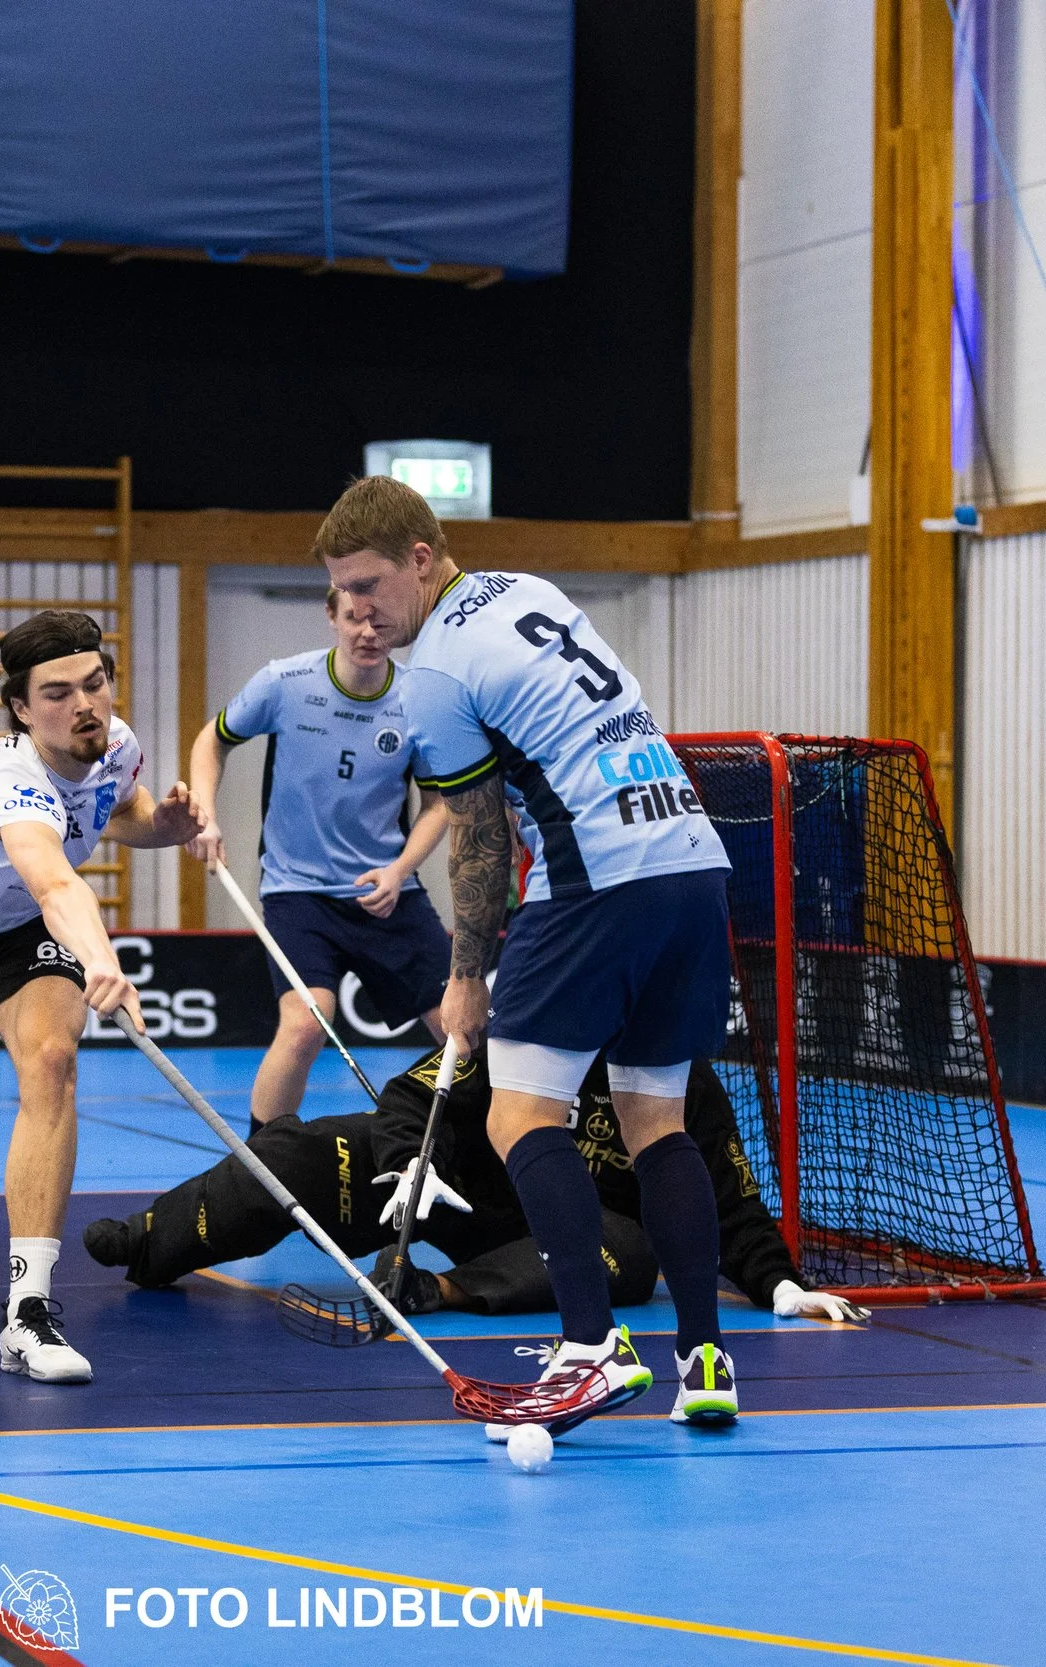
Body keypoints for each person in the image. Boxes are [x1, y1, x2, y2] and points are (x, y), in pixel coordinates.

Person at [316, 475, 739, 1431]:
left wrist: (464, 978)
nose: (361, 611)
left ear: (421, 558)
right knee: (655, 1121)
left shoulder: (435, 675)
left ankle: (590, 1351)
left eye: (371, 585)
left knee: (519, 1115)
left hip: (595, 880)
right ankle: (705, 1360)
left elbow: (478, 840)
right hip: (690, 862)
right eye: (344, 593)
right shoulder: (527, 590)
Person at [0, 610, 203, 1384]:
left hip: (19, 934)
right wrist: (102, 959)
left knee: (53, 1059)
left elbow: (119, 809)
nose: (85, 704)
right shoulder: (8, 783)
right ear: (22, 709)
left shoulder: (115, 746)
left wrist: (165, 823)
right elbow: (55, 880)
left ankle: (27, 1311)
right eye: (58, 693)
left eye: (96, 682)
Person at [84, 1052, 867, 1333]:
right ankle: (152, 1239)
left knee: (628, 1258)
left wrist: (782, 1284)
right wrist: (406, 1164)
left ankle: (436, 1290)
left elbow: (728, 1200)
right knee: (300, 1152)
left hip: (567, 1241)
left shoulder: (676, 1077)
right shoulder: (525, 1027)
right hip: (447, 1193)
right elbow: (408, 1095)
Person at [187, 588, 450, 1131]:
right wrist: (205, 813)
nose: (367, 633)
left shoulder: (418, 699)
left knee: (460, 1026)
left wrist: (400, 871)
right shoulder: (283, 683)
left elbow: (439, 803)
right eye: (354, 618)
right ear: (331, 616)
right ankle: (262, 1161)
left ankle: (485, 1152)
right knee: (306, 1024)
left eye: (379, 621)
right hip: (298, 891)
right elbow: (212, 740)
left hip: (387, 891)